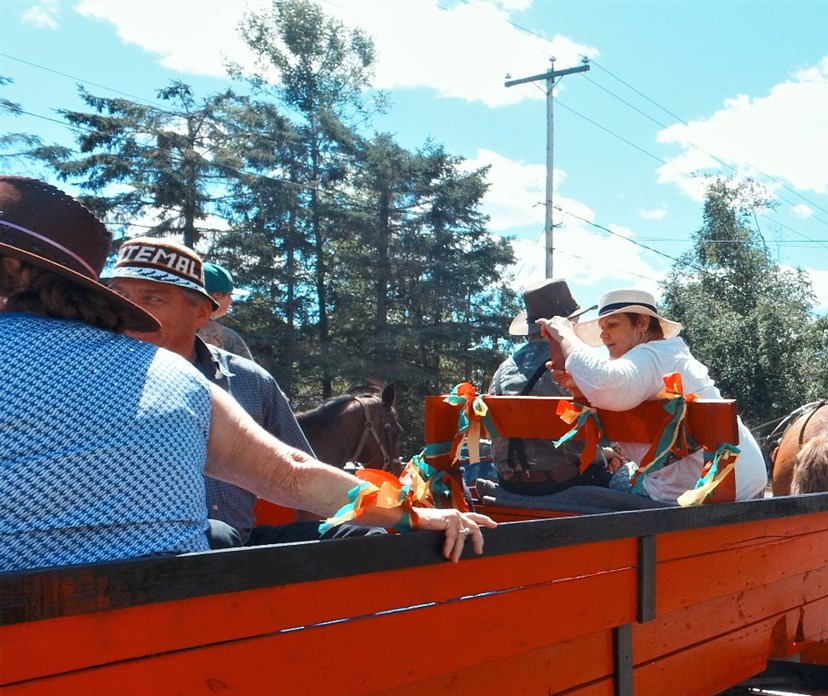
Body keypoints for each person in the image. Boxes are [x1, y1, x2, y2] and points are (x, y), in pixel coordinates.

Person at [0, 176, 494, 572]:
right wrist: (418, 515)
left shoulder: (235, 377)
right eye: (128, 294)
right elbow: (291, 475)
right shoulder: (177, 379)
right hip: (174, 621)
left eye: (152, 296)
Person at [109, 236, 371, 548]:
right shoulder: (95, 377)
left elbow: (301, 478)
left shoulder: (251, 381)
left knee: (364, 536)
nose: (130, 311)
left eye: (152, 299)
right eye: (120, 296)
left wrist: (408, 516)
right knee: (216, 536)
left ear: (202, 314)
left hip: (243, 547)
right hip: (151, 557)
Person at [536, 289, 767, 508]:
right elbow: (610, 386)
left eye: (613, 325)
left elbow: (606, 384)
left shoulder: (652, 356)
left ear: (643, 323)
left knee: (616, 479)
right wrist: (578, 385)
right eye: (602, 327)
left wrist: (565, 334)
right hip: (736, 485)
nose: (604, 334)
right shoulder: (663, 356)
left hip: (706, 493)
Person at [484, 278, 614, 496]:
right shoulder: (570, 365)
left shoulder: (502, 370)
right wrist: (607, 455)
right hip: (565, 483)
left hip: (510, 485)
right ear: (566, 325)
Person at [197, 261, 254, 360]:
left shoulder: (169, 328)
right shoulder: (230, 338)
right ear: (217, 295)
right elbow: (252, 373)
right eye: (230, 295)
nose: (231, 300)